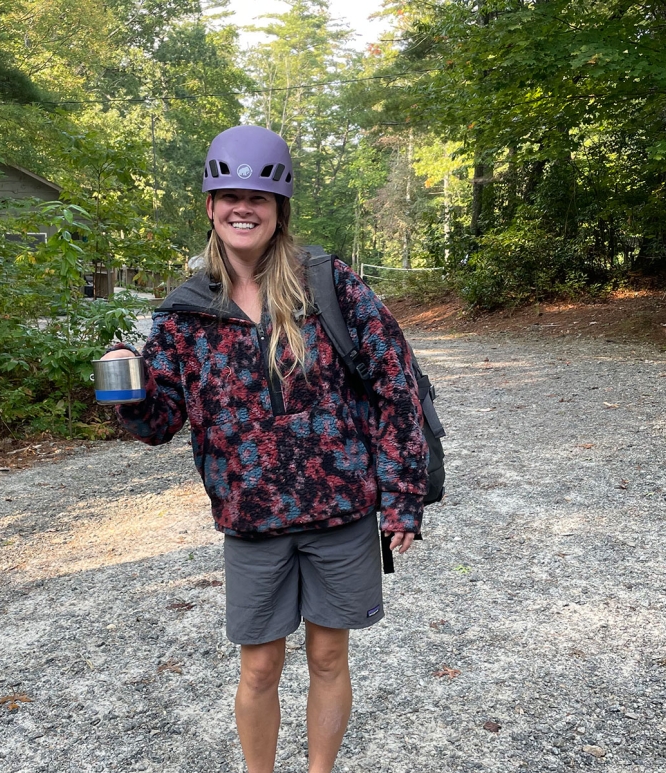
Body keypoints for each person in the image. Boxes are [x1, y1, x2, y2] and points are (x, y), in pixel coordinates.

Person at [100, 125, 428, 773]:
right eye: (230, 195)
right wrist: (127, 388)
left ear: (279, 209)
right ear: (210, 205)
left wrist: (403, 495)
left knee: (329, 656)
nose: (243, 208)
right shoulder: (185, 313)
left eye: (258, 196)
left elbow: (396, 384)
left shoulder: (328, 285)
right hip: (252, 521)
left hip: (340, 513)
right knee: (258, 667)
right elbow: (159, 422)